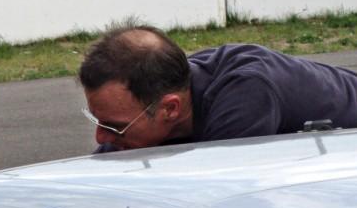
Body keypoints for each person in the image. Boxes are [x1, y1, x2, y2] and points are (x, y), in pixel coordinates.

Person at [78, 25, 357, 153]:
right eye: (98, 121)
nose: (101, 136)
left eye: (115, 126)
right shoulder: (164, 85)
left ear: (170, 108)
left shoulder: (246, 95)